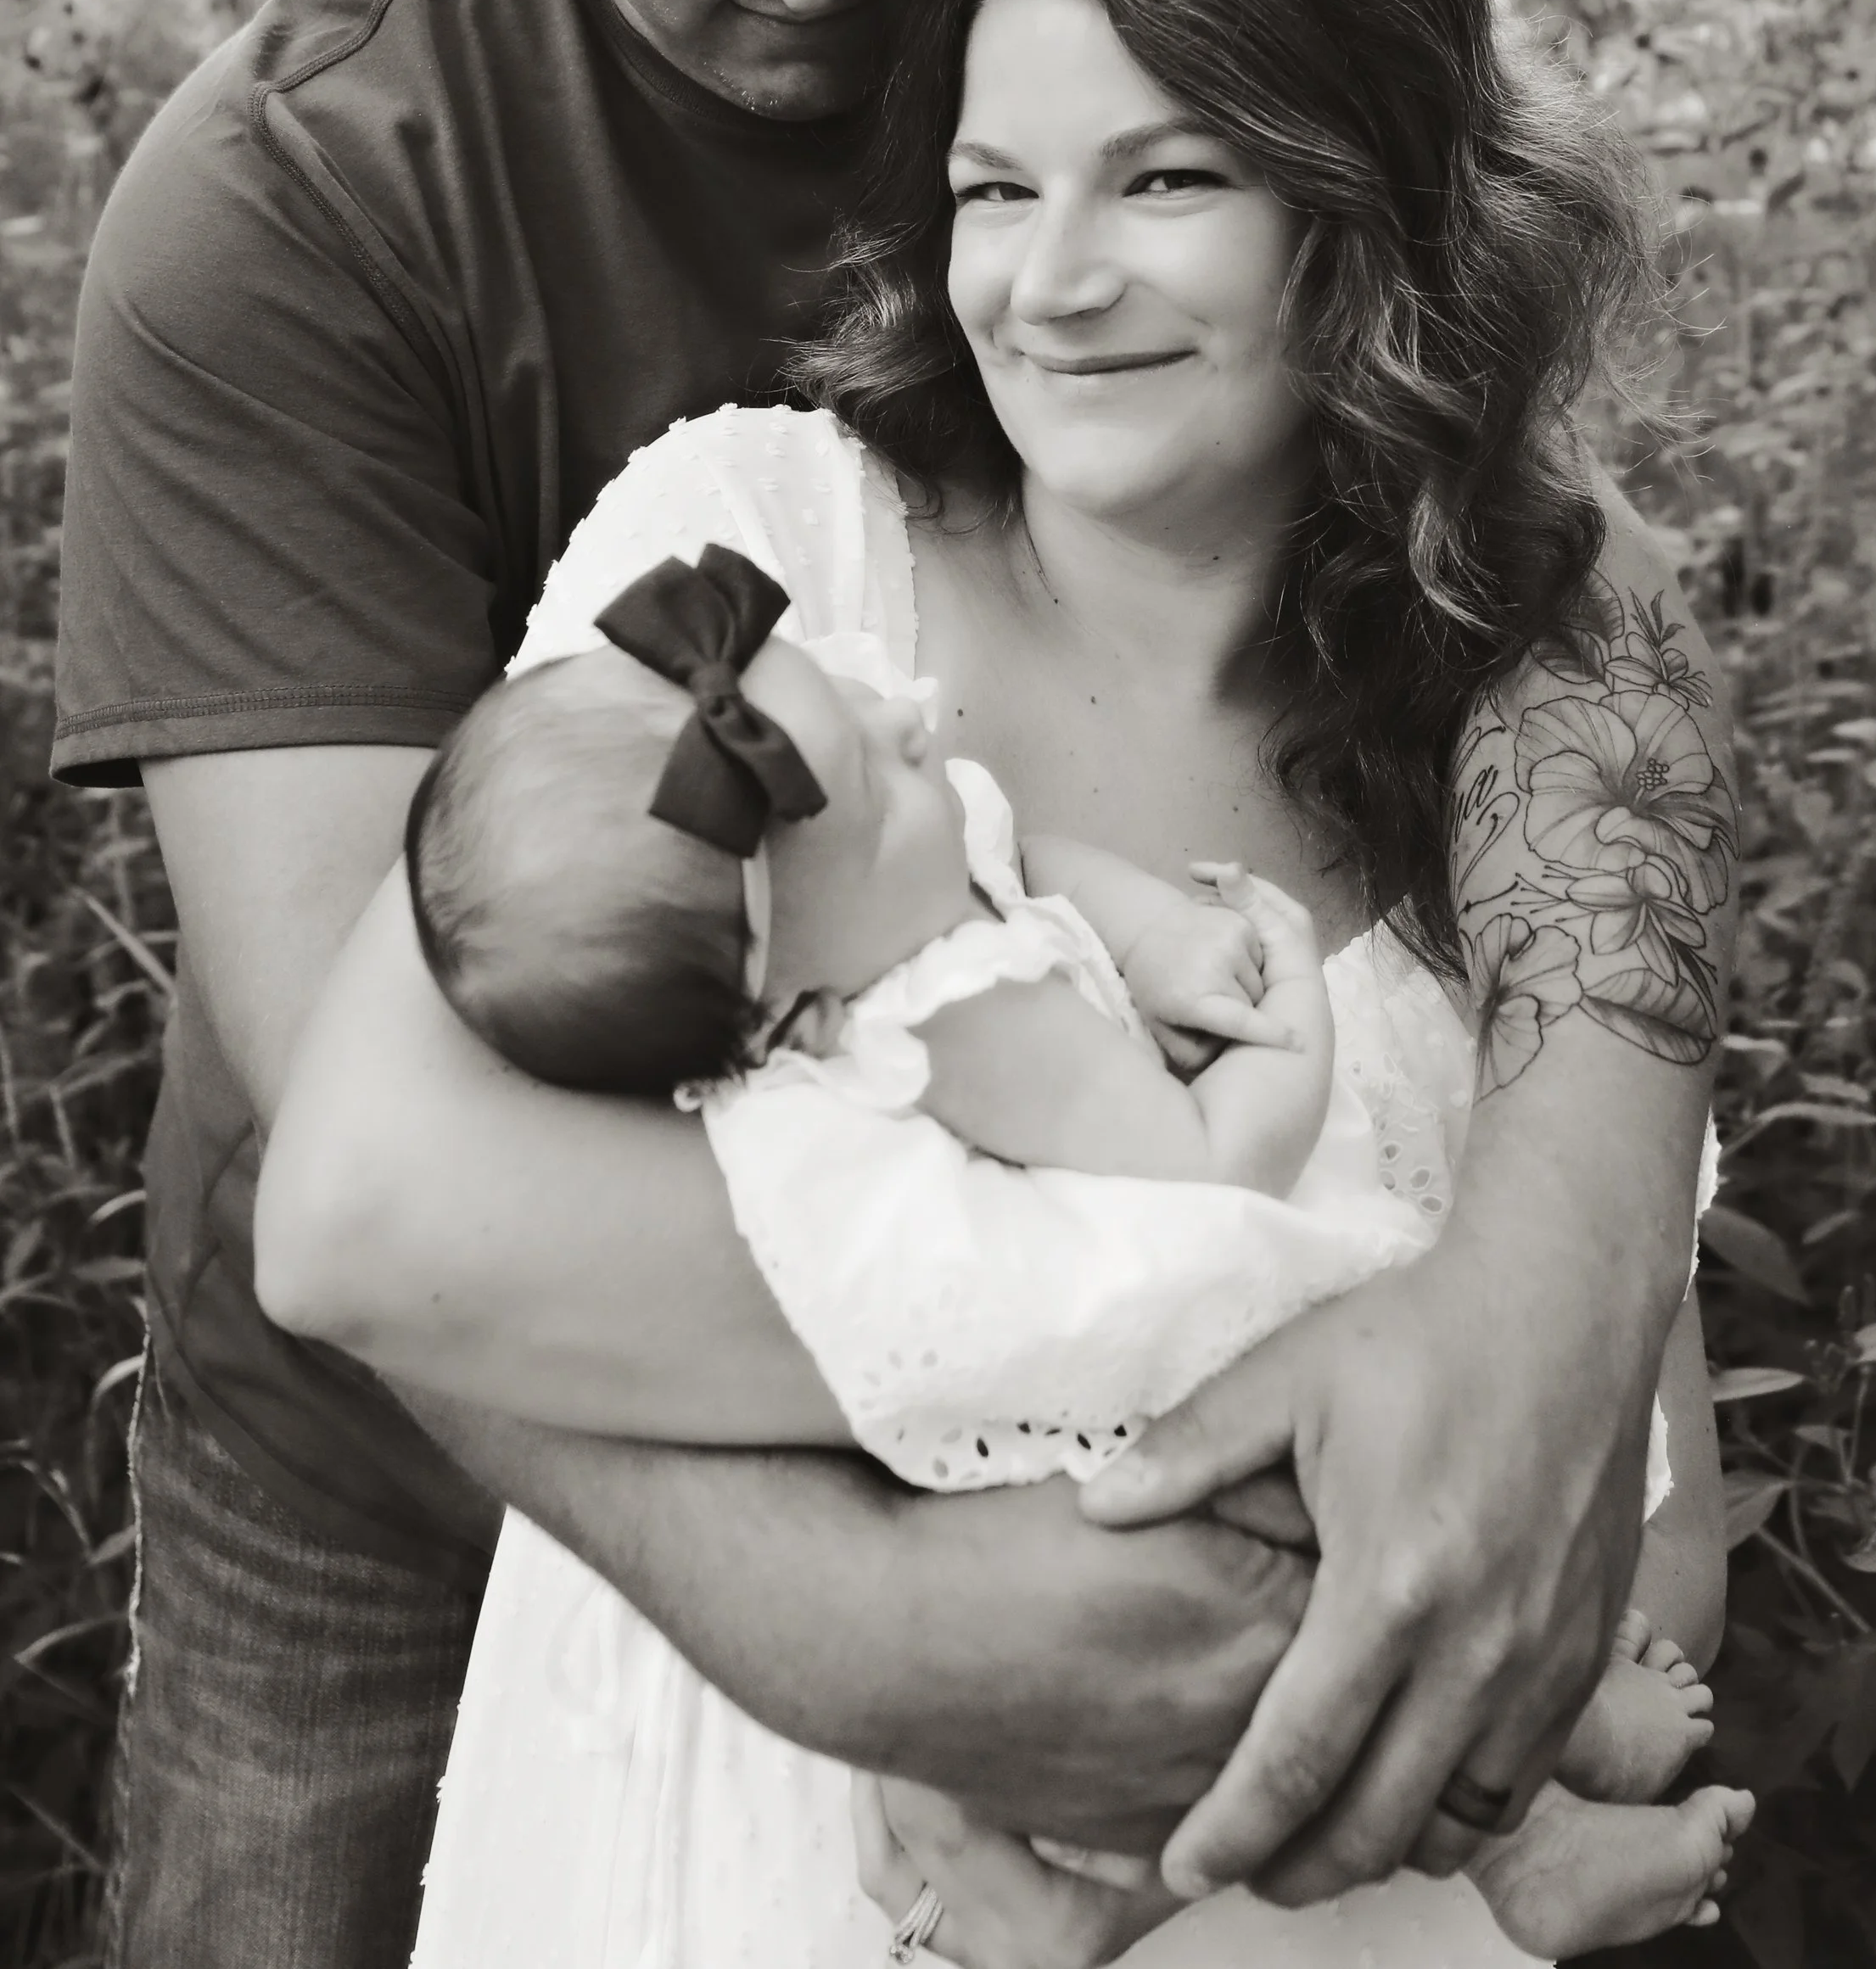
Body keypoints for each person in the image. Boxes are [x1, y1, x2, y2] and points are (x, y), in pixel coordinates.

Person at [256, 0, 1744, 1967]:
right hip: (747, 1848)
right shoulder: (762, 569)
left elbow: (1633, 1468)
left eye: (1165, 179)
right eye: (990, 190)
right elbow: (381, 1202)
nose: (1048, 280)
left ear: (1374, 221)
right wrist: (952, 1608)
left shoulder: (1520, 755)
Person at [382, 525, 1749, 1964]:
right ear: (793, 1006)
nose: (912, 714)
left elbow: (1014, 847)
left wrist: (1147, 937)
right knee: (1340, 1533)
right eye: (879, 759)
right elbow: (1210, 1165)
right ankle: (1542, 1777)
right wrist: (1284, 1026)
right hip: (1140, 1349)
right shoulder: (953, 1018)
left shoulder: (866, 910)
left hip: (1012, 1392)